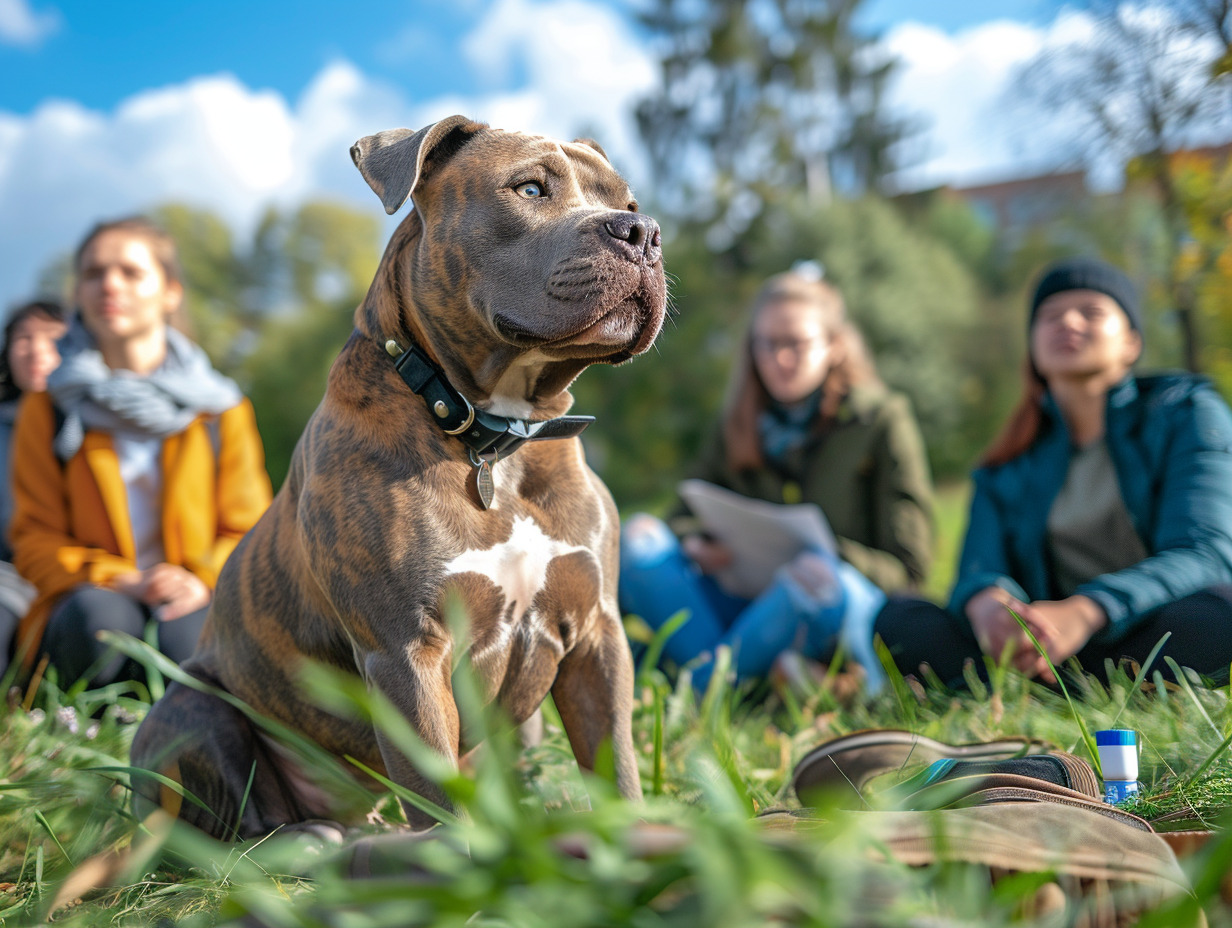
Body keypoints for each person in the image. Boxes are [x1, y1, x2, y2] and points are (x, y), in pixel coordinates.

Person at [874, 256, 1232, 685]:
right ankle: (1055, 677)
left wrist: (1087, 611)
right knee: (898, 618)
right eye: (1050, 316)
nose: (1068, 323)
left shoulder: (1184, 414)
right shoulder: (1006, 459)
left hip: (1147, 625)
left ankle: (1051, 683)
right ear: (1033, 347)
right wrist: (991, 606)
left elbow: (1204, 553)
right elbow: (978, 568)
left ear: (1132, 343)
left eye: (1091, 312)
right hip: (1041, 640)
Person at [619, 269, 934, 690]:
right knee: (640, 541)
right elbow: (682, 515)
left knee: (814, 580)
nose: (780, 359)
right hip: (742, 603)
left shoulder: (880, 420)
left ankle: (698, 689)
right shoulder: (738, 419)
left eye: (796, 344)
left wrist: (825, 556)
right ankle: (743, 681)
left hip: (823, 604)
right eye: (767, 344)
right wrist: (696, 542)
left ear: (834, 346)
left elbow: (908, 569)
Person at [9, 217, 273, 688]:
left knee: (190, 636)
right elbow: (34, 540)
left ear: (170, 292)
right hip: (88, 599)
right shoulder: (48, 407)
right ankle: (82, 749)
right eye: (93, 273)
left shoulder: (219, 409)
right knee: (101, 617)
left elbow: (250, 531)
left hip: (196, 593)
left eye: (130, 272)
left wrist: (197, 579)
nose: (109, 284)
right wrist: (120, 579)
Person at [0, 300, 67, 678]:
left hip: (81, 572)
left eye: (52, 338)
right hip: (8, 576)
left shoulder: (96, 424)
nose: (37, 350)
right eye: (23, 338)